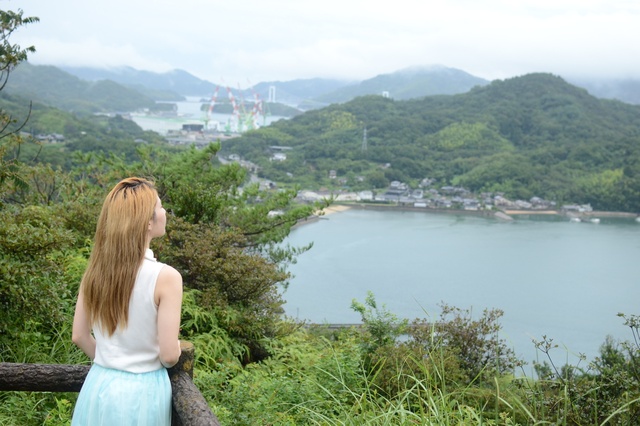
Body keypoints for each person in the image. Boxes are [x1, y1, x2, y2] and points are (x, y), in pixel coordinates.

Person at [71, 177, 183, 426]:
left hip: (98, 384)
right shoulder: (166, 277)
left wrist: (111, 360)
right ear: (146, 223)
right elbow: (168, 356)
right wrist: (174, 346)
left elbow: (79, 335)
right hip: (142, 392)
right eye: (160, 207)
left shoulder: (95, 272)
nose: (164, 212)